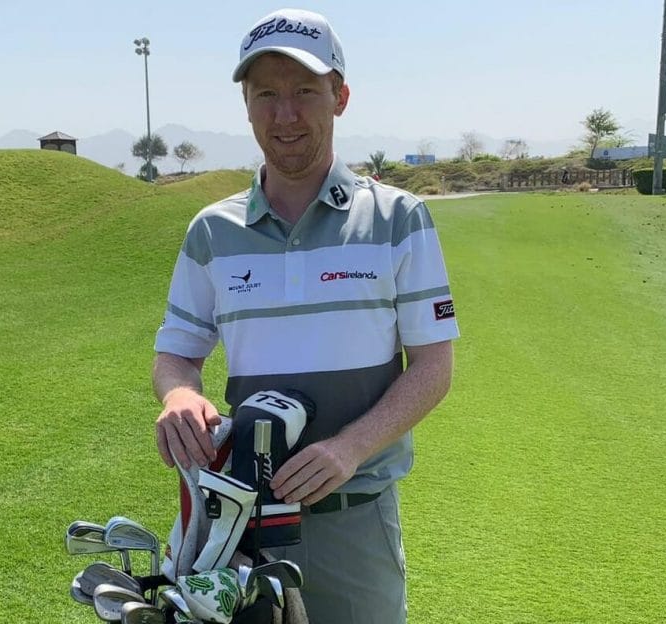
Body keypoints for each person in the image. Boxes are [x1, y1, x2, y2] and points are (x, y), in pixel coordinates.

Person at [152, 8, 459, 622]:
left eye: (304, 92)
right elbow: (177, 352)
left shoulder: (399, 219)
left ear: (339, 97)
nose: (284, 114)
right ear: (246, 105)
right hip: (239, 526)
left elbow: (433, 367)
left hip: (355, 521)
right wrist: (179, 395)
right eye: (266, 94)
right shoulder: (211, 230)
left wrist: (350, 447)